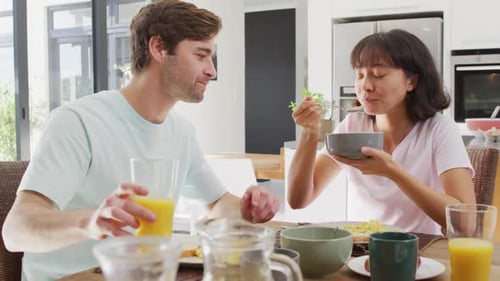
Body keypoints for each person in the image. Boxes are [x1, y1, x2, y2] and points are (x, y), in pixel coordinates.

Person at [2, 1, 279, 280]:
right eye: (201, 55)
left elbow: (217, 204)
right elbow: (16, 231)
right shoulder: (77, 121)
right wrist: (91, 222)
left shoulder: (181, 132)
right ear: (158, 48)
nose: (212, 71)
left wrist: (246, 210)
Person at [288, 29, 475, 235]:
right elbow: (298, 200)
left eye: (378, 75)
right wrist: (309, 133)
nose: (365, 86)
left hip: (419, 251)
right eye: (359, 75)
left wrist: (393, 172)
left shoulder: (438, 129)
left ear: (411, 82)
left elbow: (465, 224)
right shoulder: (353, 125)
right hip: (360, 249)